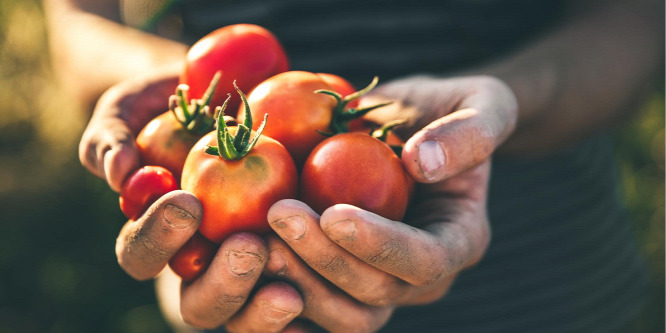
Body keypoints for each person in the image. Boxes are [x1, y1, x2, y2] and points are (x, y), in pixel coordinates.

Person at [44, 0, 663, 332]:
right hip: (239, 293)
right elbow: (79, 19)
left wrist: (503, 106)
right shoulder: (250, 141)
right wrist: (172, 112)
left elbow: (636, 21)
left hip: (546, 284)